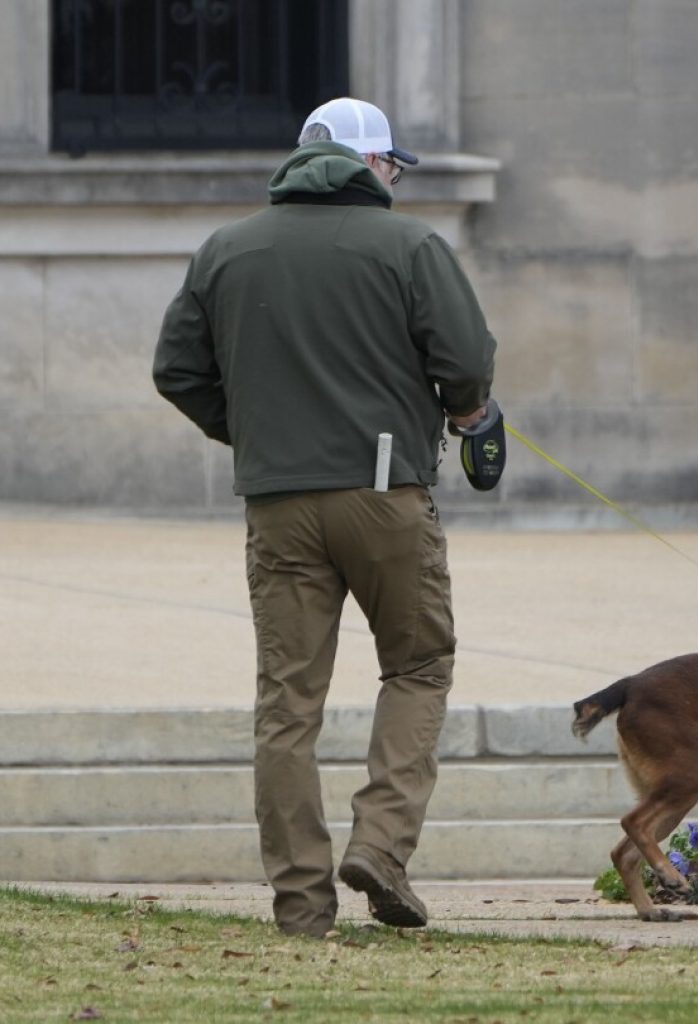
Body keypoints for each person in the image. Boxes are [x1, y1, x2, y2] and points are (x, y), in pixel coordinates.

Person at [153, 97, 497, 937]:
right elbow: (466, 364)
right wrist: (463, 414)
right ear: (373, 165)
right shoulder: (412, 244)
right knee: (417, 668)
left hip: (276, 500)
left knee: (287, 704)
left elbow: (177, 371)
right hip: (385, 493)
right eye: (395, 164)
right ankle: (380, 845)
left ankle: (302, 903)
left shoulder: (225, 249)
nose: (397, 176)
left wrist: (258, 434)